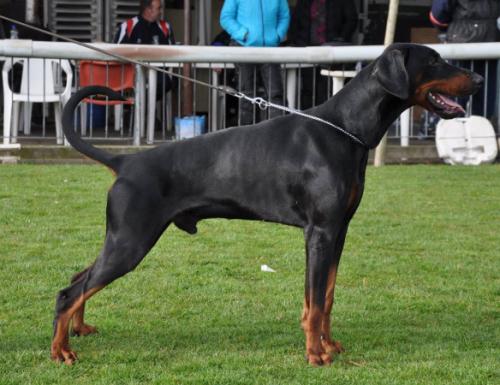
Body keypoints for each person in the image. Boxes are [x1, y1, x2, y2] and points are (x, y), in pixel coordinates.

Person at [220, 0, 290, 125]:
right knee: (247, 96)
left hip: (269, 48)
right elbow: (225, 17)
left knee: (276, 94)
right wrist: (243, 34)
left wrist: (277, 35)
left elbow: (284, 16)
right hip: (243, 47)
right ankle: (247, 137)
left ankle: (279, 134)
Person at [430, 0, 500, 120]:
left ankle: (452, 130)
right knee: (485, 97)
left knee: (455, 93)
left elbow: (438, 15)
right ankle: (480, 131)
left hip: (460, 44)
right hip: (490, 42)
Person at [289, 0, 358, 109]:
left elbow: (351, 20)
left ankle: (329, 121)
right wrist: (298, 43)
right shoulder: (303, 2)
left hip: (332, 54)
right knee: (308, 89)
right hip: (308, 53)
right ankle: (307, 120)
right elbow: (295, 22)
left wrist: (340, 40)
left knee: (330, 90)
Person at [113, 0, 175, 96]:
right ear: (148, 9)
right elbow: (115, 52)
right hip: (130, 74)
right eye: (158, 8)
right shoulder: (128, 26)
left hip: (158, 75)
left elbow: (173, 54)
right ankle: (132, 108)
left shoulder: (165, 27)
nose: (161, 11)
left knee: (167, 81)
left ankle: (147, 108)